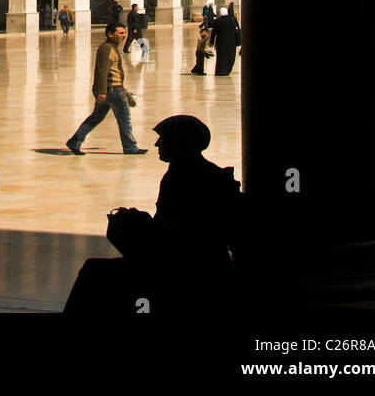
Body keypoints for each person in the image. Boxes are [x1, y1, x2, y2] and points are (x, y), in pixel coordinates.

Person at [63, 115, 247, 315]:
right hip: (202, 265)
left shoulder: (181, 177)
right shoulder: (201, 171)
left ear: (179, 142)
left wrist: (137, 224)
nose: (157, 143)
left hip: (186, 272)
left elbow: (175, 237)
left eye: (164, 138)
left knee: (94, 272)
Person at [66, 23, 146, 156]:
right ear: (110, 34)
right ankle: (130, 147)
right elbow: (102, 72)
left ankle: (75, 141)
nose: (124, 36)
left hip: (112, 89)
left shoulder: (111, 48)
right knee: (124, 118)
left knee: (96, 117)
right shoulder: (107, 48)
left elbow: (112, 71)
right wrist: (102, 92)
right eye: (120, 33)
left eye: (124, 33)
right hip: (112, 91)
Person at [209, 5, 240, 76]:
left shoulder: (217, 21)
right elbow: (237, 30)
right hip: (231, 42)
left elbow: (214, 32)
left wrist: (211, 42)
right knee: (230, 56)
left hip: (221, 42)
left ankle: (221, 71)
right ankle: (228, 69)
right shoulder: (232, 19)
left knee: (221, 57)